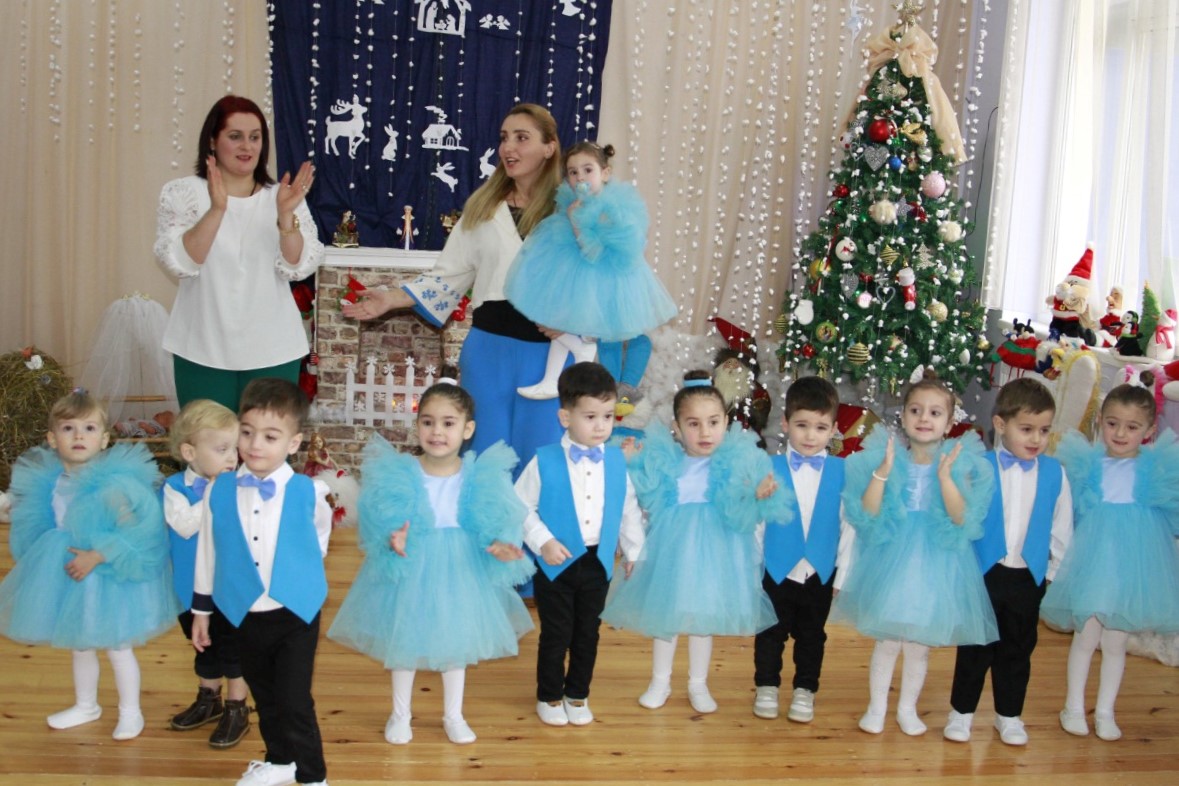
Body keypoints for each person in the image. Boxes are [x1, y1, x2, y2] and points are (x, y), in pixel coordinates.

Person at [341, 103, 565, 465]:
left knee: (543, 458)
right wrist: (392, 299)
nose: (508, 148)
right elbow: (449, 275)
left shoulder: (571, 209)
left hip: (549, 353)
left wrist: (574, 321)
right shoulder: (483, 207)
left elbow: (599, 280)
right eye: (504, 138)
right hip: (489, 349)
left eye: (522, 138)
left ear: (549, 147)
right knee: (484, 455)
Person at [328, 369, 535, 746]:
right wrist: (393, 538)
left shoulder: (478, 476)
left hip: (461, 569)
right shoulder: (401, 472)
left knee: (456, 643)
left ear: (468, 429)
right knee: (403, 638)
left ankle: (454, 715)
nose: (437, 432)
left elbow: (494, 520)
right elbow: (378, 519)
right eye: (428, 422)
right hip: (413, 565)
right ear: (417, 425)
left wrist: (499, 545)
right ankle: (400, 714)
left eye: (448, 423)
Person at [601, 371, 790, 714]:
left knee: (704, 619)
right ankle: (660, 681)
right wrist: (631, 462)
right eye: (693, 424)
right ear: (676, 426)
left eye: (713, 422)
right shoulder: (667, 461)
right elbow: (644, 494)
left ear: (726, 422)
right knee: (667, 616)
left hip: (718, 552)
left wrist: (758, 494)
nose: (705, 432)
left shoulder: (736, 464)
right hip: (672, 550)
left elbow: (745, 510)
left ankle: (698, 683)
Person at [0, 390, 176, 741]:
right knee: (80, 643)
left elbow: (135, 530)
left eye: (89, 428)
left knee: (117, 645)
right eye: (68, 428)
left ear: (104, 439)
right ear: (53, 438)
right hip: (70, 575)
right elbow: (40, 522)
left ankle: (131, 712)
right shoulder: (52, 481)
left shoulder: (110, 486)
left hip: (108, 576)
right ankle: (86, 705)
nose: (79, 436)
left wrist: (97, 555)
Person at [833, 370, 997, 736]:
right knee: (888, 641)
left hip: (936, 563)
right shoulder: (888, 458)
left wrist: (945, 479)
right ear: (903, 416)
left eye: (935, 413)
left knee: (919, 645)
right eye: (916, 410)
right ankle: (876, 707)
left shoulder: (958, 463)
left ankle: (907, 709)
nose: (924, 418)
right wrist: (883, 473)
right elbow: (867, 513)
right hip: (893, 559)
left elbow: (961, 518)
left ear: (949, 422)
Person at [191, 378, 333, 786]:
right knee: (264, 693)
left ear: (293, 442)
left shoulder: (310, 491)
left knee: (293, 699)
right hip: (242, 611)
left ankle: (312, 775)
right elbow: (208, 551)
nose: (255, 445)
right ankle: (280, 760)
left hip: (294, 612)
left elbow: (318, 540)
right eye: (247, 432)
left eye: (270, 436)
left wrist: (297, 574)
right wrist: (202, 610)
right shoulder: (218, 490)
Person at [155, 95, 323, 411]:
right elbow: (181, 263)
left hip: (273, 350)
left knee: (267, 440)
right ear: (212, 141)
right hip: (201, 348)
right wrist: (217, 209)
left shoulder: (283, 197)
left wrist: (286, 216)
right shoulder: (184, 192)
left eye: (255, 137)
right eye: (235, 136)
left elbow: (297, 266)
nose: (247, 146)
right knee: (207, 440)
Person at [1040, 378, 1179, 742]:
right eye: (1113, 423)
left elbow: (1165, 519)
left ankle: (1105, 711)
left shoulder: (1155, 470)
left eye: (1132, 427)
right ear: (1100, 420)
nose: (1120, 433)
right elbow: (1070, 516)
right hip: (1092, 567)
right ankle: (1073, 707)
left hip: (1130, 572)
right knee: (1086, 637)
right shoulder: (1087, 466)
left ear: (1149, 431)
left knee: (1116, 643)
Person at [514, 362, 645, 727]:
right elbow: (518, 506)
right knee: (556, 634)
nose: (601, 425)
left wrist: (634, 552)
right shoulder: (544, 460)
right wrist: (543, 541)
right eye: (590, 416)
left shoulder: (616, 461)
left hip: (598, 563)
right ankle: (550, 695)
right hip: (556, 563)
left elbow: (627, 509)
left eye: (608, 416)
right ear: (565, 417)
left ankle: (577, 693)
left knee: (588, 633)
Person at [944, 378, 1073, 746]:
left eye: (1044, 430)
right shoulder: (980, 467)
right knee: (975, 647)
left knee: (1018, 649)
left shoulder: (1055, 473)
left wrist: (1052, 572)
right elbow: (962, 519)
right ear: (1000, 424)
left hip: (1028, 576)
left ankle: (1009, 715)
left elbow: (1062, 527)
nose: (1036, 439)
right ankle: (961, 712)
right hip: (985, 573)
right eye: (1026, 429)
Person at [504, 142, 676, 399]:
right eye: (573, 172)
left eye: (588, 170)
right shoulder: (572, 204)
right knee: (553, 319)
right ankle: (551, 379)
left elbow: (593, 252)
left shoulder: (609, 210)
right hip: (578, 274)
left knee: (597, 333)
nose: (580, 178)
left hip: (605, 279)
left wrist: (576, 222)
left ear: (604, 173)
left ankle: (590, 362)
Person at [753, 376, 846, 724]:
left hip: (820, 572)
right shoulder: (768, 468)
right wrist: (754, 568)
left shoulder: (843, 471)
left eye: (820, 427)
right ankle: (766, 685)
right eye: (802, 425)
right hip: (776, 568)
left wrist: (843, 574)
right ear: (785, 423)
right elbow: (756, 523)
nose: (810, 435)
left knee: (812, 636)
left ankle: (805, 689)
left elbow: (849, 526)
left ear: (833, 430)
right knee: (769, 632)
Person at [163, 400, 251, 748]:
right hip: (190, 589)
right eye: (221, 449)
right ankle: (208, 698)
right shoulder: (174, 488)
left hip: (229, 590)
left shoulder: (241, 486)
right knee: (203, 646)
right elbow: (185, 525)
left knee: (235, 649)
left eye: (234, 449)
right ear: (190, 452)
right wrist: (216, 495)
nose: (232, 458)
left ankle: (237, 707)